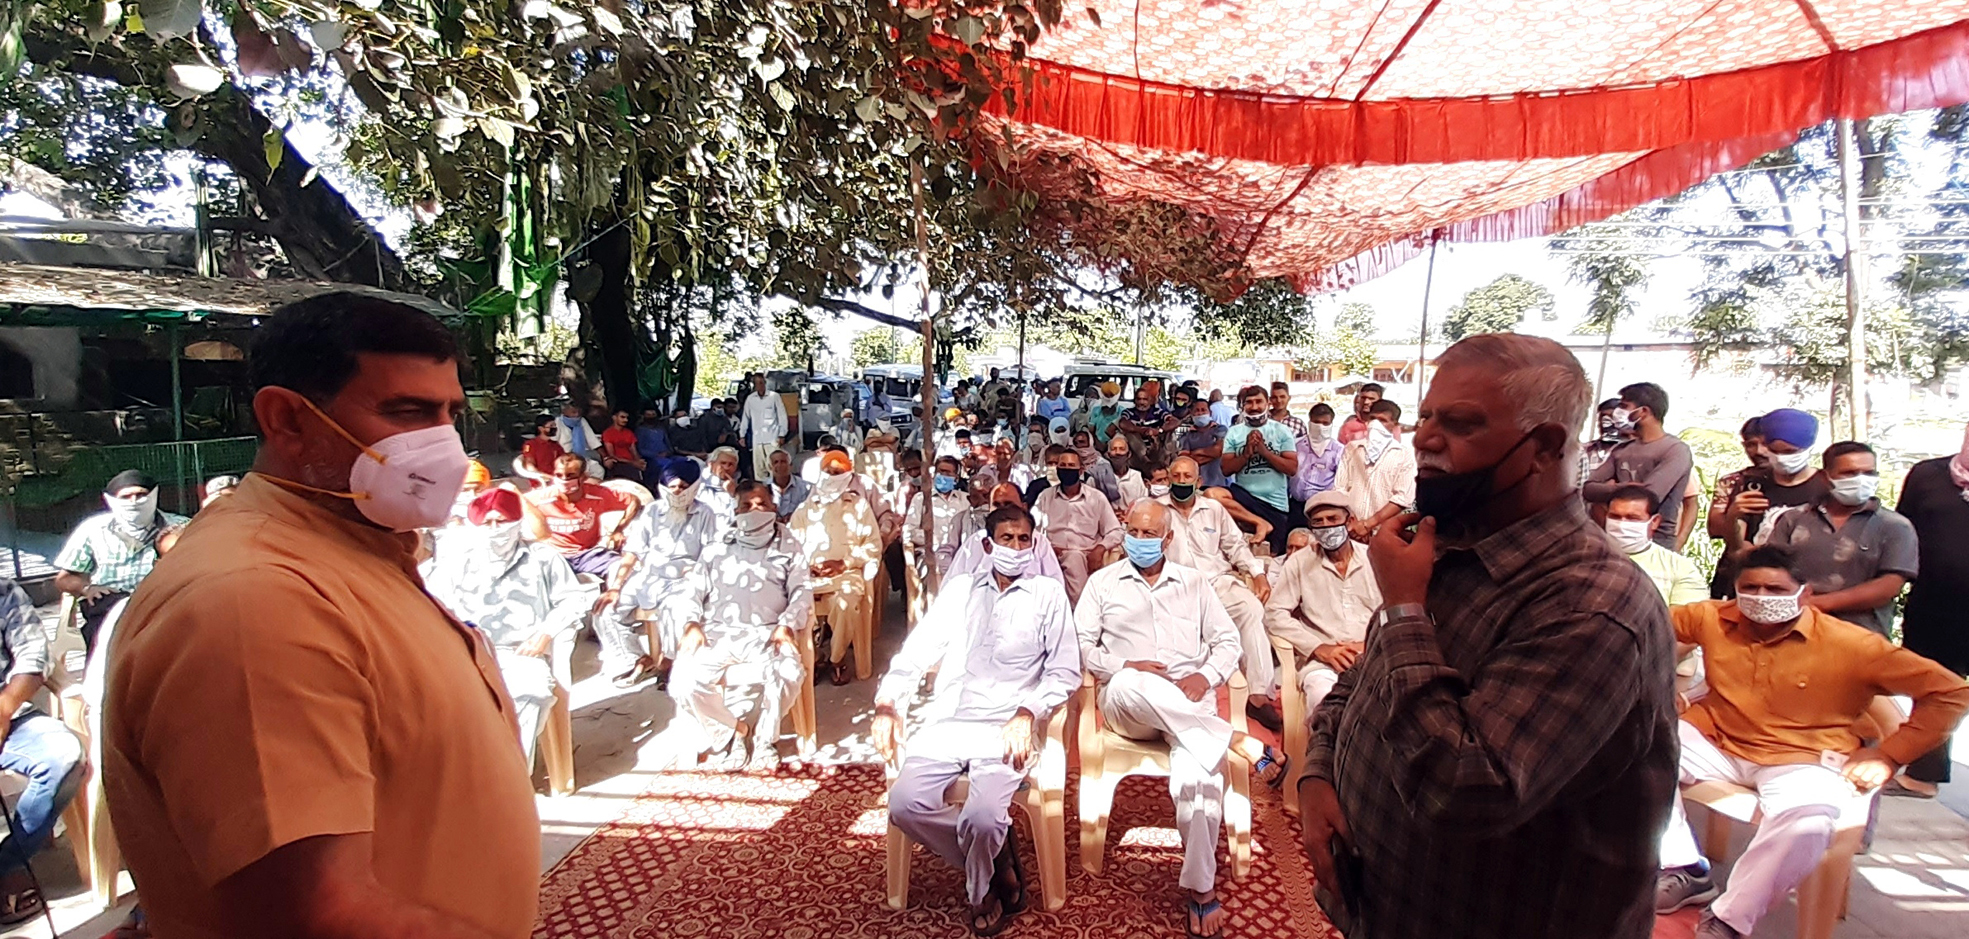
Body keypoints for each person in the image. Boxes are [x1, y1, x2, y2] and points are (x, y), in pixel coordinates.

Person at [104, 293, 539, 938]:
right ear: (287, 420)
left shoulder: (349, 545)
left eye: (450, 414)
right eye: (407, 412)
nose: (443, 444)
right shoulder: (253, 601)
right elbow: (317, 914)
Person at [1299, 333, 1678, 939]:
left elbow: (1466, 792)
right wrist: (1319, 770)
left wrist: (1401, 610)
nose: (1424, 437)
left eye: (1461, 423)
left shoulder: (1593, 604)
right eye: (1425, 415)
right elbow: (1372, 678)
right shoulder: (1447, 548)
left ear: (1542, 448)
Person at [1654, 546, 1969, 939]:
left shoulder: (1853, 645)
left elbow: (1952, 692)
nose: (1762, 598)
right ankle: (1686, 867)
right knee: (1631, 748)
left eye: (1775, 589)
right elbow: (1644, 625)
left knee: (1810, 821)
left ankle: (1730, 920)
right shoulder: (1712, 618)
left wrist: (1889, 756)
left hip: (1803, 759)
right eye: (1750, 587)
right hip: (1717, 741)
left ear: (1804, 594)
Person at [876, 505, 1081, 934]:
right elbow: (916, 654)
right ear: (987, 545)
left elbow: (1064, 671)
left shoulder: (1048, 594)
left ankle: (981, 888)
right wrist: (887, 702)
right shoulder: (961, 591)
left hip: (1009, 727)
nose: (1016, 548)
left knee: (985, 817)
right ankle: (995, 858)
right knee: (903, 805)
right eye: (1006, 539)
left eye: (1024, 540)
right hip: (949, 722)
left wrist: (1029, 712)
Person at [1077, 500, 1245, 939]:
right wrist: (1120, 664)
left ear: (1168, 540)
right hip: (1129, 707)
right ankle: (1231, 740)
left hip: (1188, 706)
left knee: (1201, 783)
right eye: (1133, 530)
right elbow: (1078, 645)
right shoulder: (1102, 583)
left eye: (1150, 534)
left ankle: (1202, 890)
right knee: (1133, 681)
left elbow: (1228, 640)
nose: (1139, 539)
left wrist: (1205, 674)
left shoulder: (1195, 583)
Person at [422, 489, 591, 768]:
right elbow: (435, 606)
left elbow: (573, 598)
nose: (494, 529)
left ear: (516, 521)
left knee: (530, 694)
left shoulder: (543, 558)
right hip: (469, 653)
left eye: (501, 522)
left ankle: (511, 780)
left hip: (521, 654)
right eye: (486, 523)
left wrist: (545, 632)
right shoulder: (457, 562)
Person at [670, 481, 812, 772]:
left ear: (774, 508)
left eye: (761, 504)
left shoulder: (789, 544)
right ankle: (733, 731)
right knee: (683, 683)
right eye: (746, 505)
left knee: (788, 672)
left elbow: (802, 591)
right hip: (719, 631)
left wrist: (787, 624)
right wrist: (691, 623)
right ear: (736, 510)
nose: (754, 510)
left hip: (768, 631)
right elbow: (693, 591)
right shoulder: (718, 546)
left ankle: (764, 739)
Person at [1160, 457, 1284, 736]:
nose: (1181, 481)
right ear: (1169, 480)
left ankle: (1259, 695)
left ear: (1198, 481)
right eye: (1176, 476)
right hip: (1176, 587)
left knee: (1251, 608)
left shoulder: (1214, 509)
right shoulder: (1158, 511)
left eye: (1186, 476)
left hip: (1218, 582)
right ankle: (1178, 702)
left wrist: (1257, 573)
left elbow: (1235, 545)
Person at [1761, 441, 1917, 637]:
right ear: (1825, 478)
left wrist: (1815, 604)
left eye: (1869, 473)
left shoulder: (1895, 526)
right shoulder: (1793, 519)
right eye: (1849, 473)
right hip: (1794, 631)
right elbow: (1770, 571)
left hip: (1862, 637)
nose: (1861, 480)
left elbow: (1889, 586)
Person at [0, 576, 85, 924]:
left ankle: (6, 865)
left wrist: (5, 708)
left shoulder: (4, 591)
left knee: (65, 756)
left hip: (11, 716)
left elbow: (34, 656)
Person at [1892, 425, 1969, 794]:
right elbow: (1902, 530)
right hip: (1934, 606)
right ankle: (1924, 775)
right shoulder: (1928, 475)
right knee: (1933, 688)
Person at [604, 458, 721, 687]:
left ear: (694, 486)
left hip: (685, 580)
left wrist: (697, 569)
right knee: (606, 610)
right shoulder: (652, 512)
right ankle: (636, 658)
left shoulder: (705, 513)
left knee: (676, 610)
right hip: (650, 577)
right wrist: (616, 586)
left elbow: (712, 552)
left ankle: (670, 663)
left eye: (683, 487)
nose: (677, 492)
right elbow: (633, 551)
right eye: (673, 487)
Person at [1264, 491, 1381, 712]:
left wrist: (1368, 645)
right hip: (1325, 664)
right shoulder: (1299, 562)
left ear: (1350, 522)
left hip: (1375, 656)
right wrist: (1318, 647)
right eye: (1318, 522)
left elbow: (1393, 610)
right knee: (1322, 702)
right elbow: (1274, 613)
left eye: (1333, 520)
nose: (1326, 527)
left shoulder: (1374, 558)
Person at [54, 470, 189, 654]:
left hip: (165, 603)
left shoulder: (182, 527)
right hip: (110, 605)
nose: (134, 501)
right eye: (126, 496)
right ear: (110, 500)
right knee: (104, 639)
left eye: (141, 495)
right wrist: (88, 589)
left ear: (154, 494)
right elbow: (64, 578)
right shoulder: (92, 529)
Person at [1706, 411, 1827, 597]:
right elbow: (1737, 547)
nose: (1781, 458)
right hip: (1755, 586)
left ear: (1808, 448)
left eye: (1789, 452)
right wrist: (1732, 516)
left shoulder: (1826, 486)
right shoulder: (1751, 483)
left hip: (1810, 587)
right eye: (1774, 450)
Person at [792, 451, 884, 685]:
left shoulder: (858, 505)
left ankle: (836, 658)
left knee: (845, 603)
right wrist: (807, 566)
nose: (832, 477)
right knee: (796, 602)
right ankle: (813, 657)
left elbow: (874, 545)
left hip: (847, 573)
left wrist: (844, 563)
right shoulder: (806, 508)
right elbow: (791, 546)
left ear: (848, 476)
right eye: (828, 472)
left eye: (838, 473)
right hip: (810, 575)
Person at [1583, 382, 1694, 550]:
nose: (1617, 413)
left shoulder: (1676, 450)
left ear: (1643, 411)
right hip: (1616, 539)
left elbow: (1650, 495)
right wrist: (1624, 488)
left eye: (1624, 406)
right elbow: (1586, 488)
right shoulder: (1621, 450)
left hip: (1656, 542)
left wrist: (1611, 489)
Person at [520, 454, 640, 577]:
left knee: (624, 571)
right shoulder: (542, 497)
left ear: (583, 477)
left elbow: (634, 501)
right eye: (559, 475)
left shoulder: (598, 494)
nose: (564, 480)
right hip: (553, 556)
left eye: (570, 476)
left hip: (588, 555)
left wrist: (619, 529)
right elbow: (514, 503)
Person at [1031, 447, 1121, 604]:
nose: (1066, 470)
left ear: (1081, 470)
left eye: (1071, 466)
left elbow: (1116, 531)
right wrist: (1046, 547)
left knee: (1074, 559)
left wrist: (1099, 549)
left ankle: (1078, 613)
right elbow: (1032, 531)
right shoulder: (1045, 496)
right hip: (1052, 554)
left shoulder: (1096, 498)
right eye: (1062, 466)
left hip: (1086, 554)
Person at [1219, 385, 1299, 557]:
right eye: (1249, 402)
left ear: (1268, 403)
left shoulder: (1281, 431)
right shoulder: (1234, 432)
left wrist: (1264, 452)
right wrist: (1246, 453)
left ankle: (1265, 524)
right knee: (1212, 496)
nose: (1254, 407)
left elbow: (1292, 468)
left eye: (1258, 402)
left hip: (1275, 505)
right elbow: (1226, 469)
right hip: (1244, 502)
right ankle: (1259, 523)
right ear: (1242, 406)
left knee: (1272, 559)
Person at [1605, 485, 1709, 606]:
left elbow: (1687, 619)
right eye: (1615, 517)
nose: (1621, 525)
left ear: (1654, 522)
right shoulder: (1586, 557)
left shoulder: (1679, 568)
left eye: (1633, 518)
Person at [1332, 399, 1415, 543]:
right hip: (1350, 530)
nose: (1376, 425)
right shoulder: (1352, 449)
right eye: (1373, 419)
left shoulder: (1404, 455)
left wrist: (1368, 524)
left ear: (1394, 425)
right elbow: (1340, 488)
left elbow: (1402, 498)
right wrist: (1354, 523)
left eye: (1382, 421)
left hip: (1384, 533)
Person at [948, 484, 1066, 582]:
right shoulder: (976, 541)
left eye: (1009, 504)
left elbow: (1055, 583)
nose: (1003, 510)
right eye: (997, 505)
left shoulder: (1039, 541)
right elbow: (953, 583)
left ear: (1023, 507)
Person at [906, 456, 974, 576]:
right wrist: (933, 540)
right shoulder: (921, 498)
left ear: (956, 478)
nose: (943, 475)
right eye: (940, 471)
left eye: (948, 473)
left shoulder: (966, 500)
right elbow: (908, 531)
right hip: (930, 554)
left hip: (961, 555)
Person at [740, 374, 790, 481]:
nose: (760, 386)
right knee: (759, 469)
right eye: (757, 383)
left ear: (765, 383)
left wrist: (782, 434)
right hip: (757, 439)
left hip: (772, 438)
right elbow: (746, 417)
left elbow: (782, 416)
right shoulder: (750, 399)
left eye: (761, 383)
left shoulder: (774, 396)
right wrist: (742, 435)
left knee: (775, 466)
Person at [1290, 403, 1342, 502]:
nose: (1320, 427)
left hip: (1322, 507)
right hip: (1295, 505)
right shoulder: (1295, 445)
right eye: (1316, 422)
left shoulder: (1338, 450)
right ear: (1310, 422)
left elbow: (1341, 483)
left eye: (1325, 423)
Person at [1175, 399, 1230, 488]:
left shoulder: (1220, 429)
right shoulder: (1186, 436)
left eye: (1203, 410)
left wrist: (1195, 452)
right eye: (1197, 410)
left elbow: (1219, 450)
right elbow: (1186, 460)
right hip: (1196, 485)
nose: (1200, 413)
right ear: (1191, 413)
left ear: (1210, 412)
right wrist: (1212, 453)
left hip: (1219, 483)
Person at [1116, 385, 1178, 462]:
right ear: (1135, 401)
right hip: (1138, 451)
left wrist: (1159, 430)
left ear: (1150, 401)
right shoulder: (1128, 412)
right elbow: (1122, 423)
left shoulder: (1157, 412)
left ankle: (1169, 460)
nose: (1141, 402)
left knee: (1170, 433)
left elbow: (1175, 422)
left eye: (1145, 399)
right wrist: (1141, 430)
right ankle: (1145, 460)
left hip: (1157, 445)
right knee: (1129, 434)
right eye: (1139, 399)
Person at [1578, 398, 1625, 486]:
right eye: (1602, 417)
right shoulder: (1583, 450)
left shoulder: (1630, 451)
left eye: (1611, 417)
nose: (1605, 423)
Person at [766, 449, 812, 520]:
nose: (779, 465)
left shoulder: (806, 487)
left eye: (783, 462)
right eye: (775, 462)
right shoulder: (763, 488)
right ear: (770, 467)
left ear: (790, 465)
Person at [1106, 434, 1149, 508]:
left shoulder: (1137, 476)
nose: (1117, 453)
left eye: (1122, 449)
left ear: (1129, 454)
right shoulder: (1100, 476)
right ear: (1108, 454)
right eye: (1114, 449)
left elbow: (1143, 503)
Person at [599, 409, 644, 480]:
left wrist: (638, 461)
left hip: (631, 463)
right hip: (618, 463)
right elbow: (612, 455)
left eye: (627, 418)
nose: (625, 420)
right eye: (622, 417)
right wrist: (632, 463)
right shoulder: (608, 433)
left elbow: (634, 451)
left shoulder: (629, 433)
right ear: (614, 417)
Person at [700, 446, 742, 523]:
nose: (726, 467)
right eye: (723, 463)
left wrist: (733, 495)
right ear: (711, 464)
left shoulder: (741, 488)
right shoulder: (699, 486)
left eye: (731, 464)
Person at [634, 408, 673, 475]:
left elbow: (668, 443)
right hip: (651, 459)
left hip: (667, 456)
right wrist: (656, 455)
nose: (651, 417)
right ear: (644, 416)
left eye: (653, 414)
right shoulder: (640, 430)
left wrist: (668, 452)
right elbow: (640, 449)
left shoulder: (661, 429)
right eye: (648, 415)